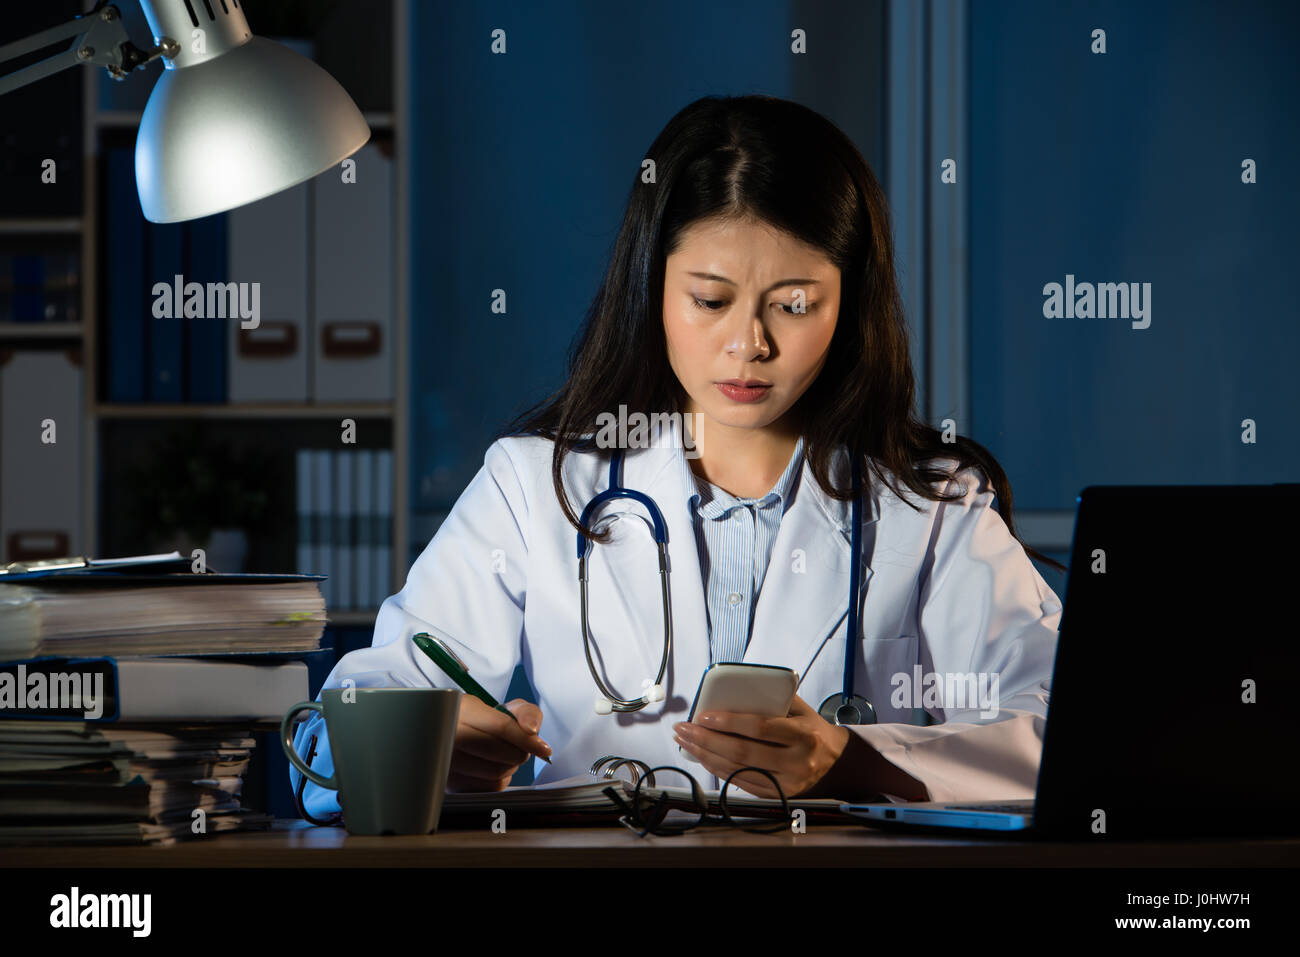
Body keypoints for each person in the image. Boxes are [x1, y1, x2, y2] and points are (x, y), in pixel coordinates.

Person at [290, 94, 1065, 818]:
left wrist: (850, 758)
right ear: (651, 287)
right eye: (710, 299)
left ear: (850, 304)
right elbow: (327, 745)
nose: (749, 344)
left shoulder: (928, 506)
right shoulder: (536, 486)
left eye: (794, 305)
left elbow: (1058, 737)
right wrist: (428, 749)